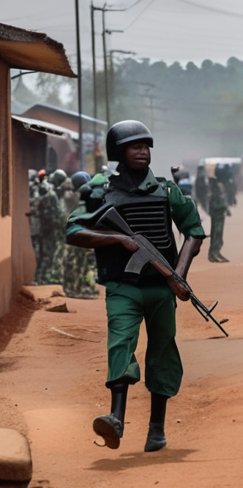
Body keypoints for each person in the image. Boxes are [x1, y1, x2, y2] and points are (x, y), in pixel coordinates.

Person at [65, 120, 205, 452]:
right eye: (134, 146)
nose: (142, 151)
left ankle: (157, 428)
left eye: (145, 146)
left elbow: (195, 232)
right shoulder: (101, 189)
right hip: (122, 285)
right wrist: (117, 239)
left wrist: (178, 275)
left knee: (163, 351)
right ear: (119, 151)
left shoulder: (166, 189)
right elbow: (73, 231)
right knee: (120, 345)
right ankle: (115, 418)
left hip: (161, 287)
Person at [208, 163, 231, 262]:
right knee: (216, 232)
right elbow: (214, 198)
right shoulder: (214, 184)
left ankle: (216, 251)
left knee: (219, 233)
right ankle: (213, 252)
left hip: (220, 210)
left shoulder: (219, 184)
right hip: (217, 210)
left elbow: (223, 198)